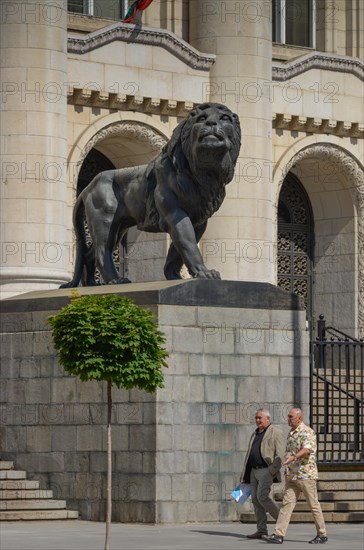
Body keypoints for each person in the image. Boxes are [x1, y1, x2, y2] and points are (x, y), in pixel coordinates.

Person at [263, 407, 328, 545]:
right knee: (286, 504)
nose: (289, 419)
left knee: (313, 504)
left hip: (306, 475)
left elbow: (307, 449)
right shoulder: (291, 432)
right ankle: (278, 534)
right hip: (292, 475)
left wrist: (293, 457)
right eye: (288, 416)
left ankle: (322, 534)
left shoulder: (307, 431)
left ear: (299, 418)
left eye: (291, 416)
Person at [240, 408, 285, 539]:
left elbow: (280, 455)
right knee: (255, 499)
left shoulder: (276, 432)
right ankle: (261, 530)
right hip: (253, 471)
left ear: (268, 419)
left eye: (260, 418)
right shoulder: (255, 433)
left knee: (262, 497)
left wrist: (272, 471)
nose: (258, 420)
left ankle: (282, 522)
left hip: (266, 470)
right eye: (256, 418)